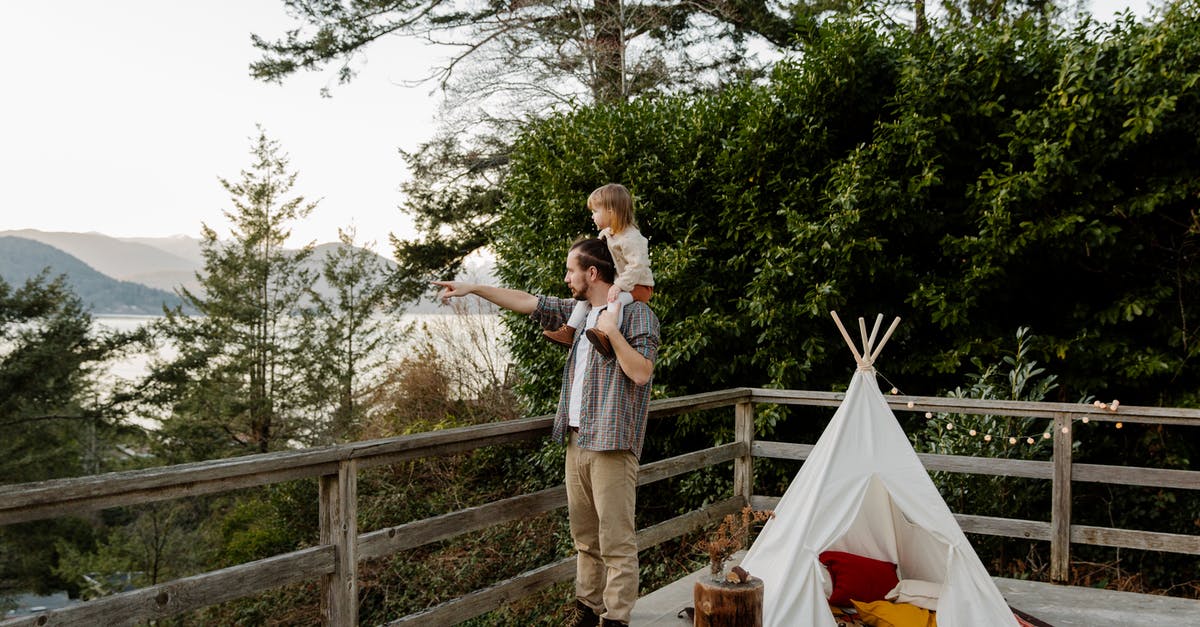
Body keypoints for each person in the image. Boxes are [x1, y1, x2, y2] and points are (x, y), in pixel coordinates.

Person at [433, 237, 661, 627]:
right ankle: (587, 612)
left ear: (592, 273)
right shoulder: (580, 310)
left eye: (572, 270)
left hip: (612, 444)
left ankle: (616, 619)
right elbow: (527, 301)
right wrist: (473, 288)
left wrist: (613, 331)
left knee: (617, 543)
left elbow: (641, 373)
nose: (566, 277)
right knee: (586, 540)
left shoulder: (636, 315)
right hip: (576, 440)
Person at [543, 183, 654, 358]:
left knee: (615, 300)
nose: (593, 216)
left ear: (611, 211)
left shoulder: (632, 238)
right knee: (585, 299)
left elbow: (637, 266)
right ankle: (569, 331)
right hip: (623, 283)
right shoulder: (608, 233)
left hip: (639, 286)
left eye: (595, 212)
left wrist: (618, 285)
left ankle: (606, 335)